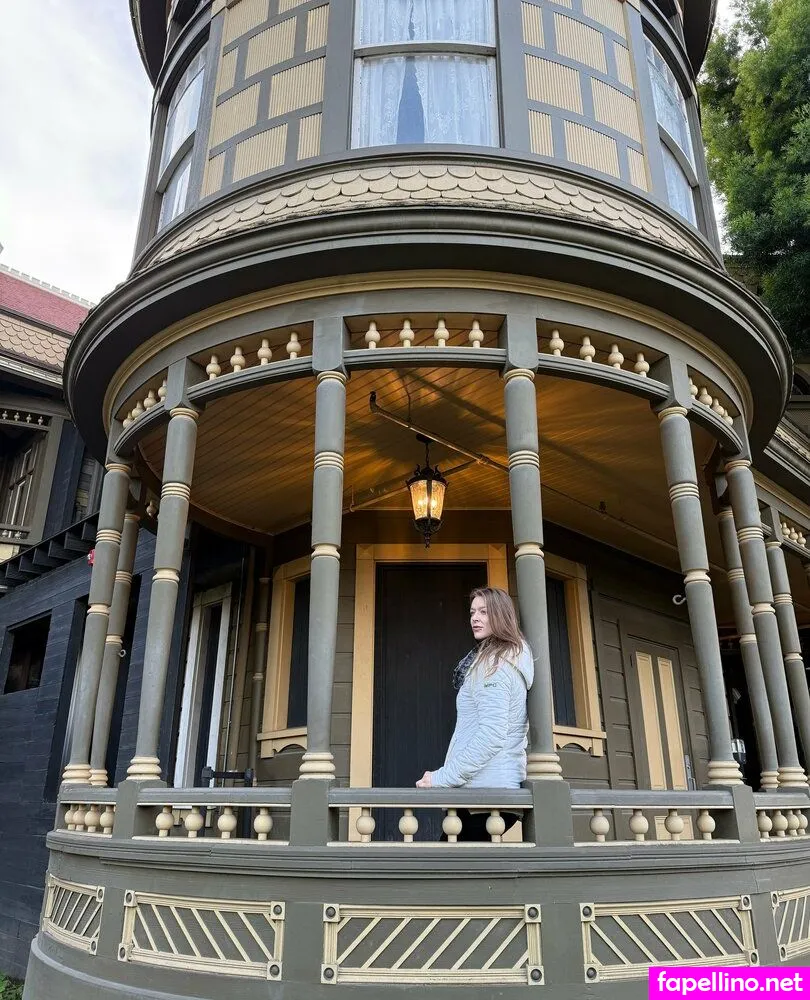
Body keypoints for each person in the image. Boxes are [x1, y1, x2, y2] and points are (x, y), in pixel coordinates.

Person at [416, 587, 533, 841]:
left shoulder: (496, 665)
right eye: (472, 612)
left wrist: (442, 777)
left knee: (446, 864)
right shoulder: (500, 659)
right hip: (488, 793)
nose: (475, 618)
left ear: (501, 615)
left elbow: (491, 735)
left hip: (486, 796)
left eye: (484, 612)